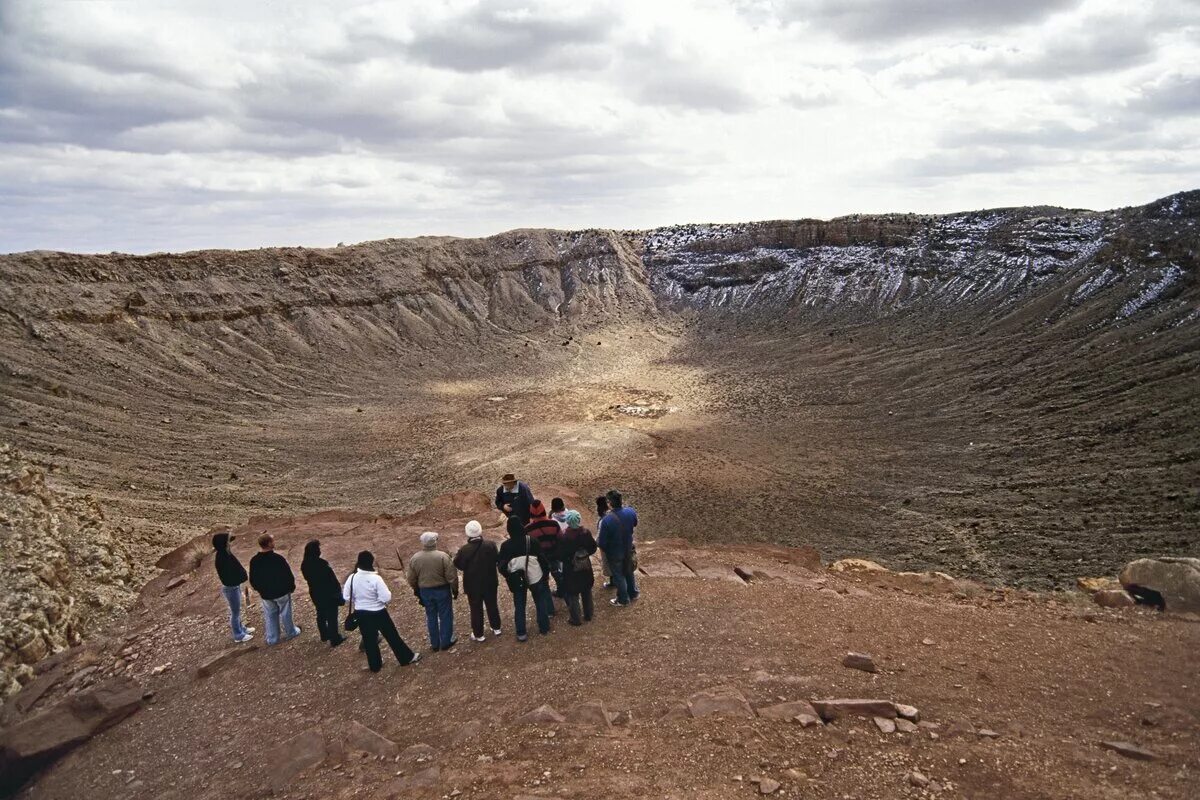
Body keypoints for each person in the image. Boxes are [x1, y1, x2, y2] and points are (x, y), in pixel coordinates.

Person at [343, 550, 421, 671]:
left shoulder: (352, 578)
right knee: (392, 636)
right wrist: (377, 601)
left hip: (361, 612)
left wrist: (359, 601)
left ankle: (375, 665)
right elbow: (386, 597)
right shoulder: (375, 579)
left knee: (369, 640)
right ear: (371, 562)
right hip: (378, 612)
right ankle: (406, 658)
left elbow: (346, 596)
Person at [497, 515, 553, 641]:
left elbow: (501, 566)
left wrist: (508, 576)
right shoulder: (531, 541)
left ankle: (521, 632)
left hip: (517, 579)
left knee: (520, 604)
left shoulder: (506, 546)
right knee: (540, 601)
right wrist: (545, 574)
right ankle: (544, 627)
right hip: (535, 576)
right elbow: (542, 560)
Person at [406, 531, 458, 652]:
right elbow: (452, 576)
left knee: (431, 616)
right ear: (435, 542)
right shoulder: (443, 556)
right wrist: (455, 590)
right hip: (442, 589)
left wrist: (416, 590)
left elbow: (411, 578)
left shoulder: (415, 558)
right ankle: (446, 641)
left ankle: (434, 643)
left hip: (425, 591)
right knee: (445, 615)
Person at [453, 520, 502, 642]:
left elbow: (458, 564)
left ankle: (479, 634)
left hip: (472, 584)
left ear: (467, 533)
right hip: (490, 581)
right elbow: (497, 559)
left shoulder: (464, 550)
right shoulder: (491, 545)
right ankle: (496, 627)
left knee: (475, 608)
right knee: (492, 604)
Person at [248, 533, 302, 644]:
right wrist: (291, 587)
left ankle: (273, 639)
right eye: (272, 541)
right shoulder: (278, 559)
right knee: (286, 613)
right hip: (282, 592)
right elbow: (288, 575)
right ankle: (291, 632)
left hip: (266, 595)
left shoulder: (254, 560)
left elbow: (253, 578)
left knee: (270, 615)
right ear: (268, 544)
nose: (274, 542)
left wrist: (259, 589)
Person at [300, 539, 345, 648]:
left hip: (315, 593)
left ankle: (324, 634)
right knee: (332, 616)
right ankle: (335, 638)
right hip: (328, 593)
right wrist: (338, 592)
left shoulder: (304, 565)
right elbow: (332, 580)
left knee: (320, 613)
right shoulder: (322, 564)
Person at [555, 511, 598, 626]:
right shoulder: (586, 533)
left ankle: (576, 619)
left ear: (567, 521)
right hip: (585, 566)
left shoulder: (563, 536)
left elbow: (559, 555)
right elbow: (593, 548)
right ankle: (588, 614)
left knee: (572, 593)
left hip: (571, 569)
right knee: (586, 590)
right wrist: (584, 554)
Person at [598, 490, 640, 606]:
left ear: (609, 503)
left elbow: (602, 542)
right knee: (629, 570)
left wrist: (606, 550)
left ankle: (623, 599)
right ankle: (633, 593)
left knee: (618, 576)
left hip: (615, 551)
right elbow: (635, 523)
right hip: (628, 547)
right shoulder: (630, 511)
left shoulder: (606, 520)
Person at [212, 531, 255, 643]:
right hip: (231, 587)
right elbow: (227, 576)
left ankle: (242, 629)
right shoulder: (222, 557)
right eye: (227, 541)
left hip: (234, 586)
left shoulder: (225, 554)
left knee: (237, 610)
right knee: (235, 613)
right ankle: (238, 635)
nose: (229, 543)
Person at [525, 499, 563, 604]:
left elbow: (529, 547)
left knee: (544, 580)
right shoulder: (553, 524)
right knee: (558, 575)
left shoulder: (528, 529)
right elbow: (560, 539)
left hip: (540, 559)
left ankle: (549, 607)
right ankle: (563, 592)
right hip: (554, 555)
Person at [595, 495, 613, 589]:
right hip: (614, 543)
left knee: (609, 564)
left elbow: (599, 535)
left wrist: (596, 544)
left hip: (606, 545)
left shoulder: (602, 519)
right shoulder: (611, 513)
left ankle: (613, 582)